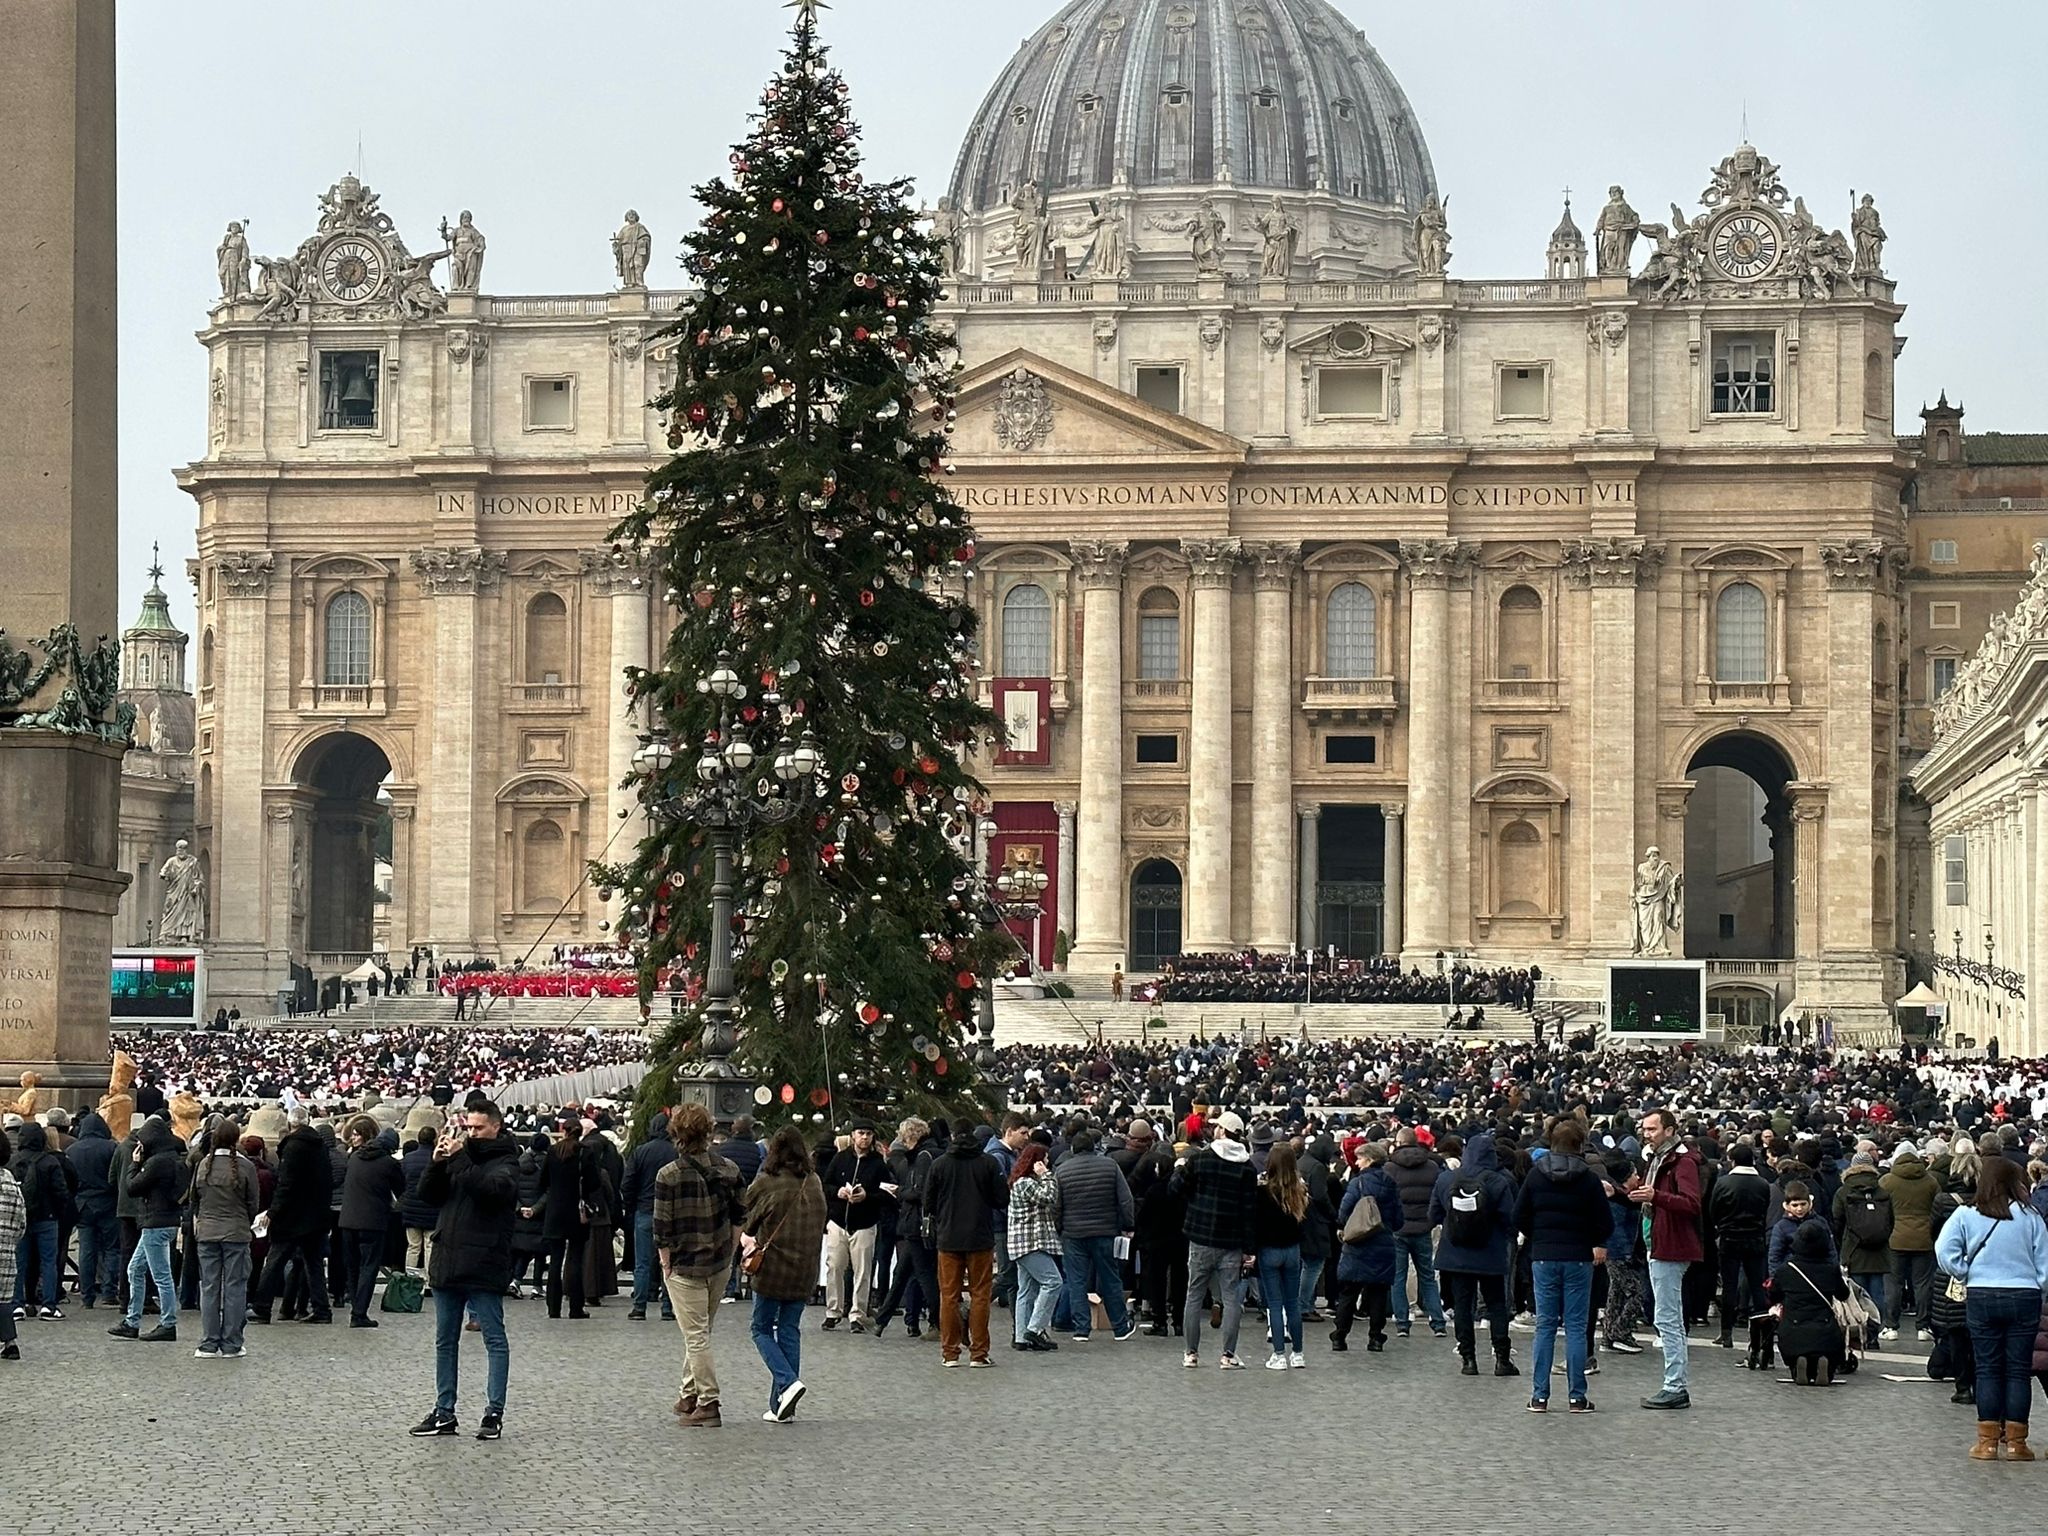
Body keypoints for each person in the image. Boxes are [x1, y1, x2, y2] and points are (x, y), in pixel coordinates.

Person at [411, 1098, 518, 1440]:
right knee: (445, 1340)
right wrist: (436, 1164)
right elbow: (428, 1195)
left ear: (496, 1126)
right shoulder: (458, 1157)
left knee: (494, 1339)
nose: (472, 1133)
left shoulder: (507, 1160)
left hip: (484, 1262)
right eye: (468, 1127)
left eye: (478, 1127)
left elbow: (491, 1192)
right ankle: (444, 1411)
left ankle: (493, 1412)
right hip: (448, 1259)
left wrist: (458, 1159)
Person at [1934, 1156, 2048, 1461]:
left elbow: (1944, 1250)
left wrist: (1963, 1271)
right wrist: (2037, 1284)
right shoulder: (2031, 1216)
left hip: (1982, 1293)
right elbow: (2045, 1264)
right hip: (2024, 1295)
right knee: (2018, 1370)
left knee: (1986, 1368)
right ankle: (2016, 1443)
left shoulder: (1966, 1214)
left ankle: (1987, 1442)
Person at [653, 1104, 745, 1429]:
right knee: (701, 1333)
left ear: (676, 1133)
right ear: (709, 1131)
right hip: (719, 1261)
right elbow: (739, 1216)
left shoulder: (668, 1175)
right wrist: (732, 1251)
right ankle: (688, 1394)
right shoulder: (730, 1169)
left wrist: (665, 1265)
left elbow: (661, 1228)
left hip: (684, 1263)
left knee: (695, 1336)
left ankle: (709, 1401)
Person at [1514, 1118, 1611, 1413]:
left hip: (1544, 1255)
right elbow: (1606, 1222)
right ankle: (1576, 1396)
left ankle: (1539, 1395)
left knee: (1545, 1325)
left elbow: (1518, 1216)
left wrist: (1538, 1236)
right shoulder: (1589, 1179)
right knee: (1577, 1327)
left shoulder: (1535, 1176)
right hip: (1579, 1256)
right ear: (1580, 1145)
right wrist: (1591, 1238)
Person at [740, 1125, 827, 1423]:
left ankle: (787, 1382)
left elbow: (748, 1220)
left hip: (773, 1268)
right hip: (805, 1269)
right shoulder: (813, 1181)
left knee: (761, 1328)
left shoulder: (767, 1182)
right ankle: (781, 1405)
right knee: (789, 1329)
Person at [1430, 1130, 1518, 1377]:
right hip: (1490, 1252)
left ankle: (1468, 1359)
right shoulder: (1499, 1180)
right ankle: (1502, 1358)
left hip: (1455, 1252)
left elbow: (1433, 1215)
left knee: (1462, 1306)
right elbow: (1510, 1219)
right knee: (1496, 1305)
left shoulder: (1447, 1179)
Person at [1176, 1111, 1261, 1369]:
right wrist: (1249, 1248)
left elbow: (1177, 1189)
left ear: (1222, 1131)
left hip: (1201, 1237)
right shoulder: (1247, 1167)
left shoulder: (1200, 1159)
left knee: (1194, 1294)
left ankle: (1191, 1353)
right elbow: (1249, 1210)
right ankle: (1228, 1355)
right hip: (1232, 1241)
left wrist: (1179, 1169)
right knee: (1231, 1297)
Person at [1631, 1107, 1702, 1409]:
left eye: (1652, 1129)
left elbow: (1691, 1203)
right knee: (1667, 1316)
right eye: (1645, 1130)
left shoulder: (1682, 1162)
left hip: (1670, 1246)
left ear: (1670, 1130)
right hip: (1659, 1242)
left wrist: (1655, 1197)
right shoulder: (1658, 1159)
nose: (1647, 1135)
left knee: (1668, 1318)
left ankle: (1675, 1385)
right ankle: (1674, 1384)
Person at [921, 1120, 1008, 1367]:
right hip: (980, 1236)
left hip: (948, 1238)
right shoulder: (988, 1162)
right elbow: (1002, 1199)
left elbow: (928, 1203)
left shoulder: (940, 1164)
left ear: (952, 1135)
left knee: (948, 1295)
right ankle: (979, 1354)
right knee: (980, 1295)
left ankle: (950, 1353)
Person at [1052, 1128, 1137, 1343]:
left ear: (1073, 1149)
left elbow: (1056, 1205)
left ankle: (1081, 1328)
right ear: (1094, 1147)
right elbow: (1125, 1199)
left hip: (1073, 1234)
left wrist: (1059, 1228)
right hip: (1104, 1231)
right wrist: (1128, 1224)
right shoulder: (1110, 1166)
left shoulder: (1062, 1171)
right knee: (1110, 1278)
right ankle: (1119, 1326)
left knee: (1076, 1280)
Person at [189, 1119, 260, 1359]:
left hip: (208, 1231)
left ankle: (209, 1341)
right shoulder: (246, 1166)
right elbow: (253, 1203)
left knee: (209, 1288)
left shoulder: (203, 1165)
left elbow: (194, 1200)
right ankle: (231, 1342)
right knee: (235, 1288)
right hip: (236, 1231)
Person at [109, 1117, 184, 1343]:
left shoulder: (156, 1162)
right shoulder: (174, 1158)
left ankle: (168, 1323)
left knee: (162, 1276)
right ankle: (132, 1321)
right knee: (135, 1269)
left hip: (155, 1222)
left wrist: (134, 1163)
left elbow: (132, 1187)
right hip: (166, 1220)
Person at [1329, 1142, 1403, 1357]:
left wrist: (1344, 1227)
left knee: (1349, 1292)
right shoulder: (1391, 1183)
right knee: (1378, 1292)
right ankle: (1375, 1337)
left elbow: (1343, 1213)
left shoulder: (1357, 1183)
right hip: (1383, 1245)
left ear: (1369, 1159)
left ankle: (1340, 1335)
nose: (1358, 1162)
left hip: (1358, 1244)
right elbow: (1398, 1219)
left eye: (1360, 1158)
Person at [819, 1118, 888, 1332]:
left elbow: (888, 1192)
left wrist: (868, 1195)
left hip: (865, 1222)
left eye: (868, 1133)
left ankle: (858, 1313)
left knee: (863, 1270)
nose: (864, 1137)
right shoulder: (840, 1159)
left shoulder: (878, 1163)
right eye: (861, 1133)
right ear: (853, 1136)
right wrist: (838, 1192)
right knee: (835, 1267)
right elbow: (826, 1185)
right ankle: (833, 1310)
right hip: (839, 1221)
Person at [872, 1116, 938, 1338]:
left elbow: (920, 1192)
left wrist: (898, 1191)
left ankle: (939, 1320)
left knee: (922, 1274)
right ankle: (882, 1318)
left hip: (916, 1224)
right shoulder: (926, 1154)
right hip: (913, 1224)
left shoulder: (922, 1157)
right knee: (902, 1274)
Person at [338, 1114, 403, 1328]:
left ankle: (355, 1305)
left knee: (353, 1267)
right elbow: (400, 1190)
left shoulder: (354, 1158)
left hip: (347, 1219)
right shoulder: (389, 1163)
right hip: (372, 1221)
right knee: (369, 1267)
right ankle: (359, 1313)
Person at [534, 1116, 599, 1320]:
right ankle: (575, 1307)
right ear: (580, 1132)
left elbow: (542, 1181)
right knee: (575, 1259)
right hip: (576, 1211)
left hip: (555, 1210)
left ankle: (553, 1307)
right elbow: (594, 1182)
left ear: (564, 1131)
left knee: (555, 1260)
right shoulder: (585, 1152)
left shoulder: (553, 1151)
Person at [1386, 1125, 1448, 1338]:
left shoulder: (1390, 1167)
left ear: (1398, 1142)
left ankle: (1402, 1323)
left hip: (1399, 1229)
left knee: (1398, 1277)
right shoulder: (1431, 1166)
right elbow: (1439, 1195)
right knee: (1428, 1276)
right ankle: (1438, 1322)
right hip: (1423, 1226)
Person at [1771, 1220, 1850, 1386]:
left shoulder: (1787, 1269)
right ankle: (1825, 1367)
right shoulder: (1830, 1268)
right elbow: (1843, 1295)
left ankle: (1797, 1364)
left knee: (1792, 1346)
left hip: (1793, 1328)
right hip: (1825, 1329)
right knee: (1831, 1347)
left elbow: (1773, 1296)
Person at [1708, 1142, 1771, 1351]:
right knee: (1757, 1286)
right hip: (1755, 1238)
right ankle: (1763, 1334)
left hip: (1729, 1237)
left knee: (1729, 1286)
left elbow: (1713, 1210)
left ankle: (1726, 1333)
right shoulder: (1763, 1184)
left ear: (1732, 1160)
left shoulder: (1724, 1182)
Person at [7, 1121, 73, 1319]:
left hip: (21, 1218)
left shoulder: (13, 1161)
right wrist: (59, 1213)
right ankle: (48, 1305)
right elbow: (62, 1192)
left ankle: (17, 1304)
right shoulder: (50, 1161)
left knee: (19, 1262)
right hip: (47, 1218)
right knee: (48, 1262)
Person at [1254, 1142, 1309, 1370]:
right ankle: (1298, 1353)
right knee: (1292, 1303)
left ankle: (1278, 1354)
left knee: (1274, 1305)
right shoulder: (1299, 1189)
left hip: (1269, 1249)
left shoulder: (1262, 1190)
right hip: (1292, 1249)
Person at [620, 1110, 676, 1322]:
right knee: (668, 1262)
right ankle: (668, 1307)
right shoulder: (675, 1152)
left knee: (641, 1263)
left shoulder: (641, 1151)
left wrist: (631, 1206)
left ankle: (639, 1306)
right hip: (669, 1213)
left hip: (644, 1211)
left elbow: (628, 1183)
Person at [1006, 1142, 1062, 1352]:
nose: (1048, 1163)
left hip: (1023, 1243)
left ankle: (1022, 1336)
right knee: (1053, 1282)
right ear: (1037, 1161)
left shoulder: (1020, 1182)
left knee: (1027, 1290)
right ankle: (1035, 1329)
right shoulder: (1025, 1183)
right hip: (1030, 1242)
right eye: (1045, 1159)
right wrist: (1046, 1175)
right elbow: (1049, 1197)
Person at [1882, 1138, 1939, 1341]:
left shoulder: (1887, 1181)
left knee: (1894, 1283)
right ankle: (1923, 1327)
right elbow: (1937, 1208)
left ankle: (1890, 1326)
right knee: (1923, 1283)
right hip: (1924, 1238)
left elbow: (1882, 1212)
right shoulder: (1931, 1181)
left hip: (1895, 1238)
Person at [66, 1110, 121, 1311]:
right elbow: (115, 1177)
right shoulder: (111, 1148)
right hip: (107, 1202)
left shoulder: (72, 1150)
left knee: (86, 1251)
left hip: (83, 1204)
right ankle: (109, 1292)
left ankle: (86, 1295)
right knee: (112, 1249)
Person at [0, 1130, 22, 1359]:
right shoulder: (11, 1183)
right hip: (5, 1250)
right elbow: (21, 1220)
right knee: (3, 1299)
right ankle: (10, 1342)